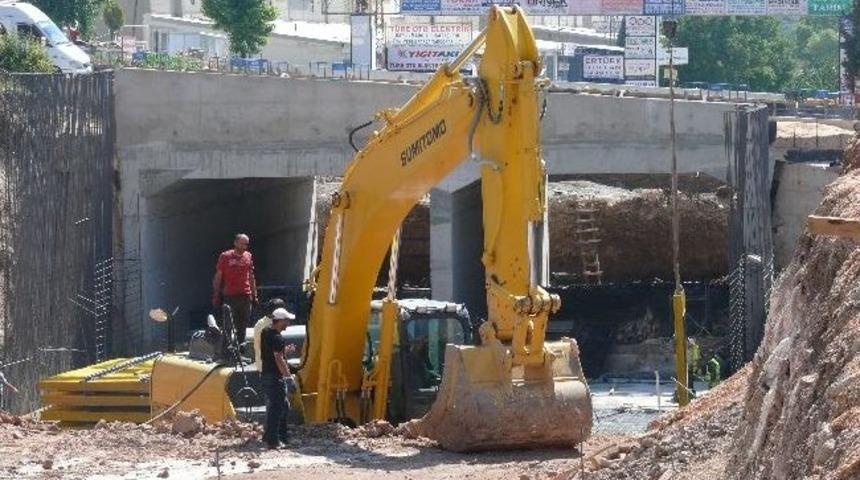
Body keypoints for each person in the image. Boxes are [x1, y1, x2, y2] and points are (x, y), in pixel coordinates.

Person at [212, 234, 258, 345]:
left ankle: (240, 352)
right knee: (227, 326)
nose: (244, 247)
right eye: (242, 244)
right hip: (230, 297)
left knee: (242, 326)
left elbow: (251, 276)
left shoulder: (248, 256)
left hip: (245, 296)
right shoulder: (225, 256)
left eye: (246, 244)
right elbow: (218, 277)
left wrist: (254, 295)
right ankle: (226, 353)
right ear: (235, 243)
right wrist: (216, 295)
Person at [261, 307, 296, 449]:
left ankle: (276, 436)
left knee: (280, 406)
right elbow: (278, 359)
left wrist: (284, 350)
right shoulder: (277, 337)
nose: (288, 323)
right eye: (286, 320)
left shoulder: (266, 332)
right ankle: (274, 441)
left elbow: (273, 353)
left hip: (266, 375)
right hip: (275, 377)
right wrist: (288, 377)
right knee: (278, 408)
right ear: (280, 321)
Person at [253, 298, 287, 371]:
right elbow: (277, 356)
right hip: (269, 367)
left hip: (260, 364)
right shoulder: (272, 326)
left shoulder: (260, 322)